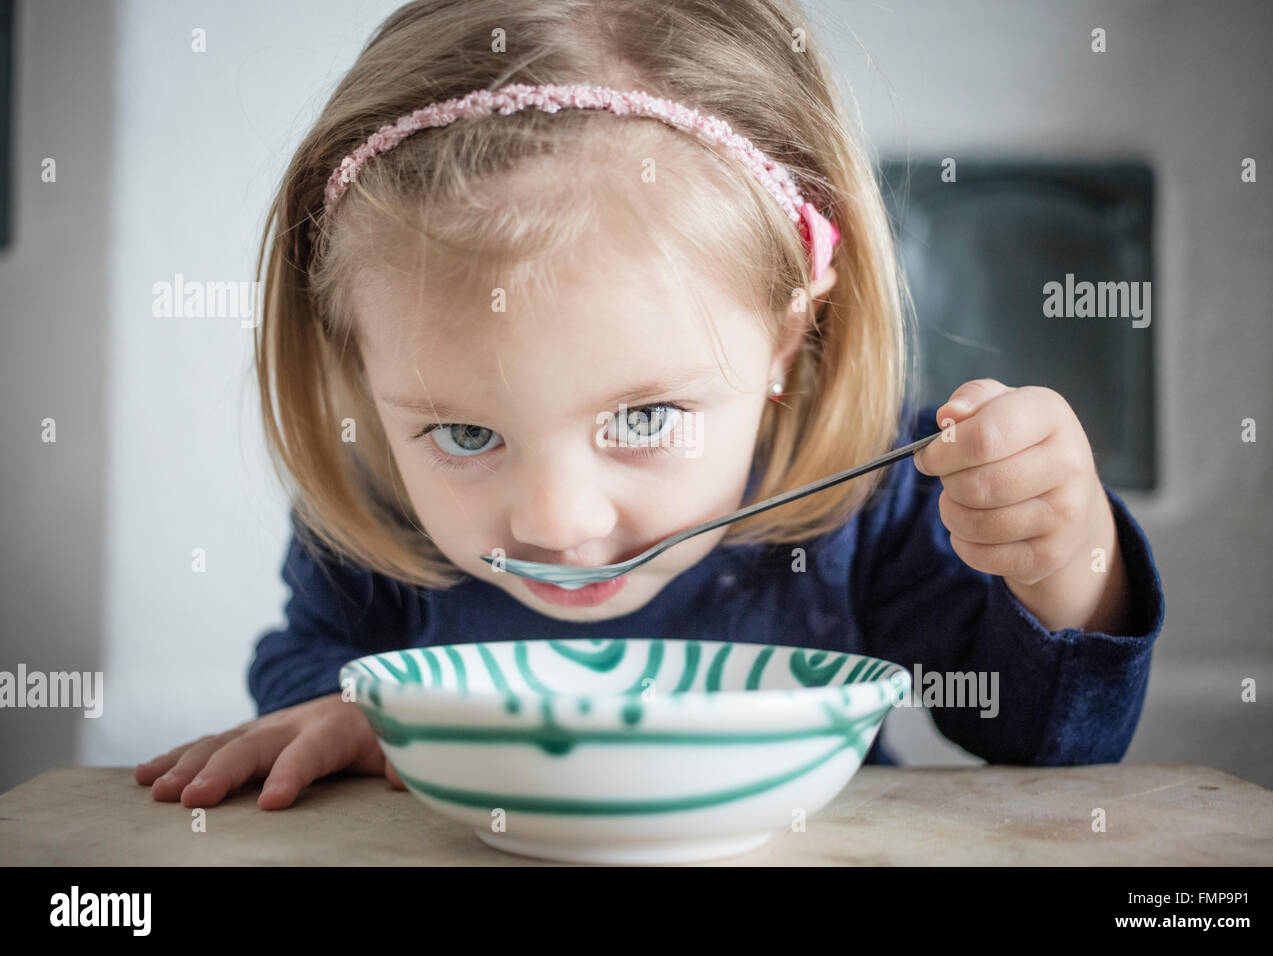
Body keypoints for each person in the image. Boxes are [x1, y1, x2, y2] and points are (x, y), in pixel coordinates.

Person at [136, 0, 1164, 811]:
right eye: (463, 432)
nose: (553, 522)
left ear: (786, 331)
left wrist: (1065, 559)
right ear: (363, 373)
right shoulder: (380, 510)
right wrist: (344, 709)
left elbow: (1049, 746)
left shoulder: (864, 503)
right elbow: (305, 656)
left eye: (640, 418)